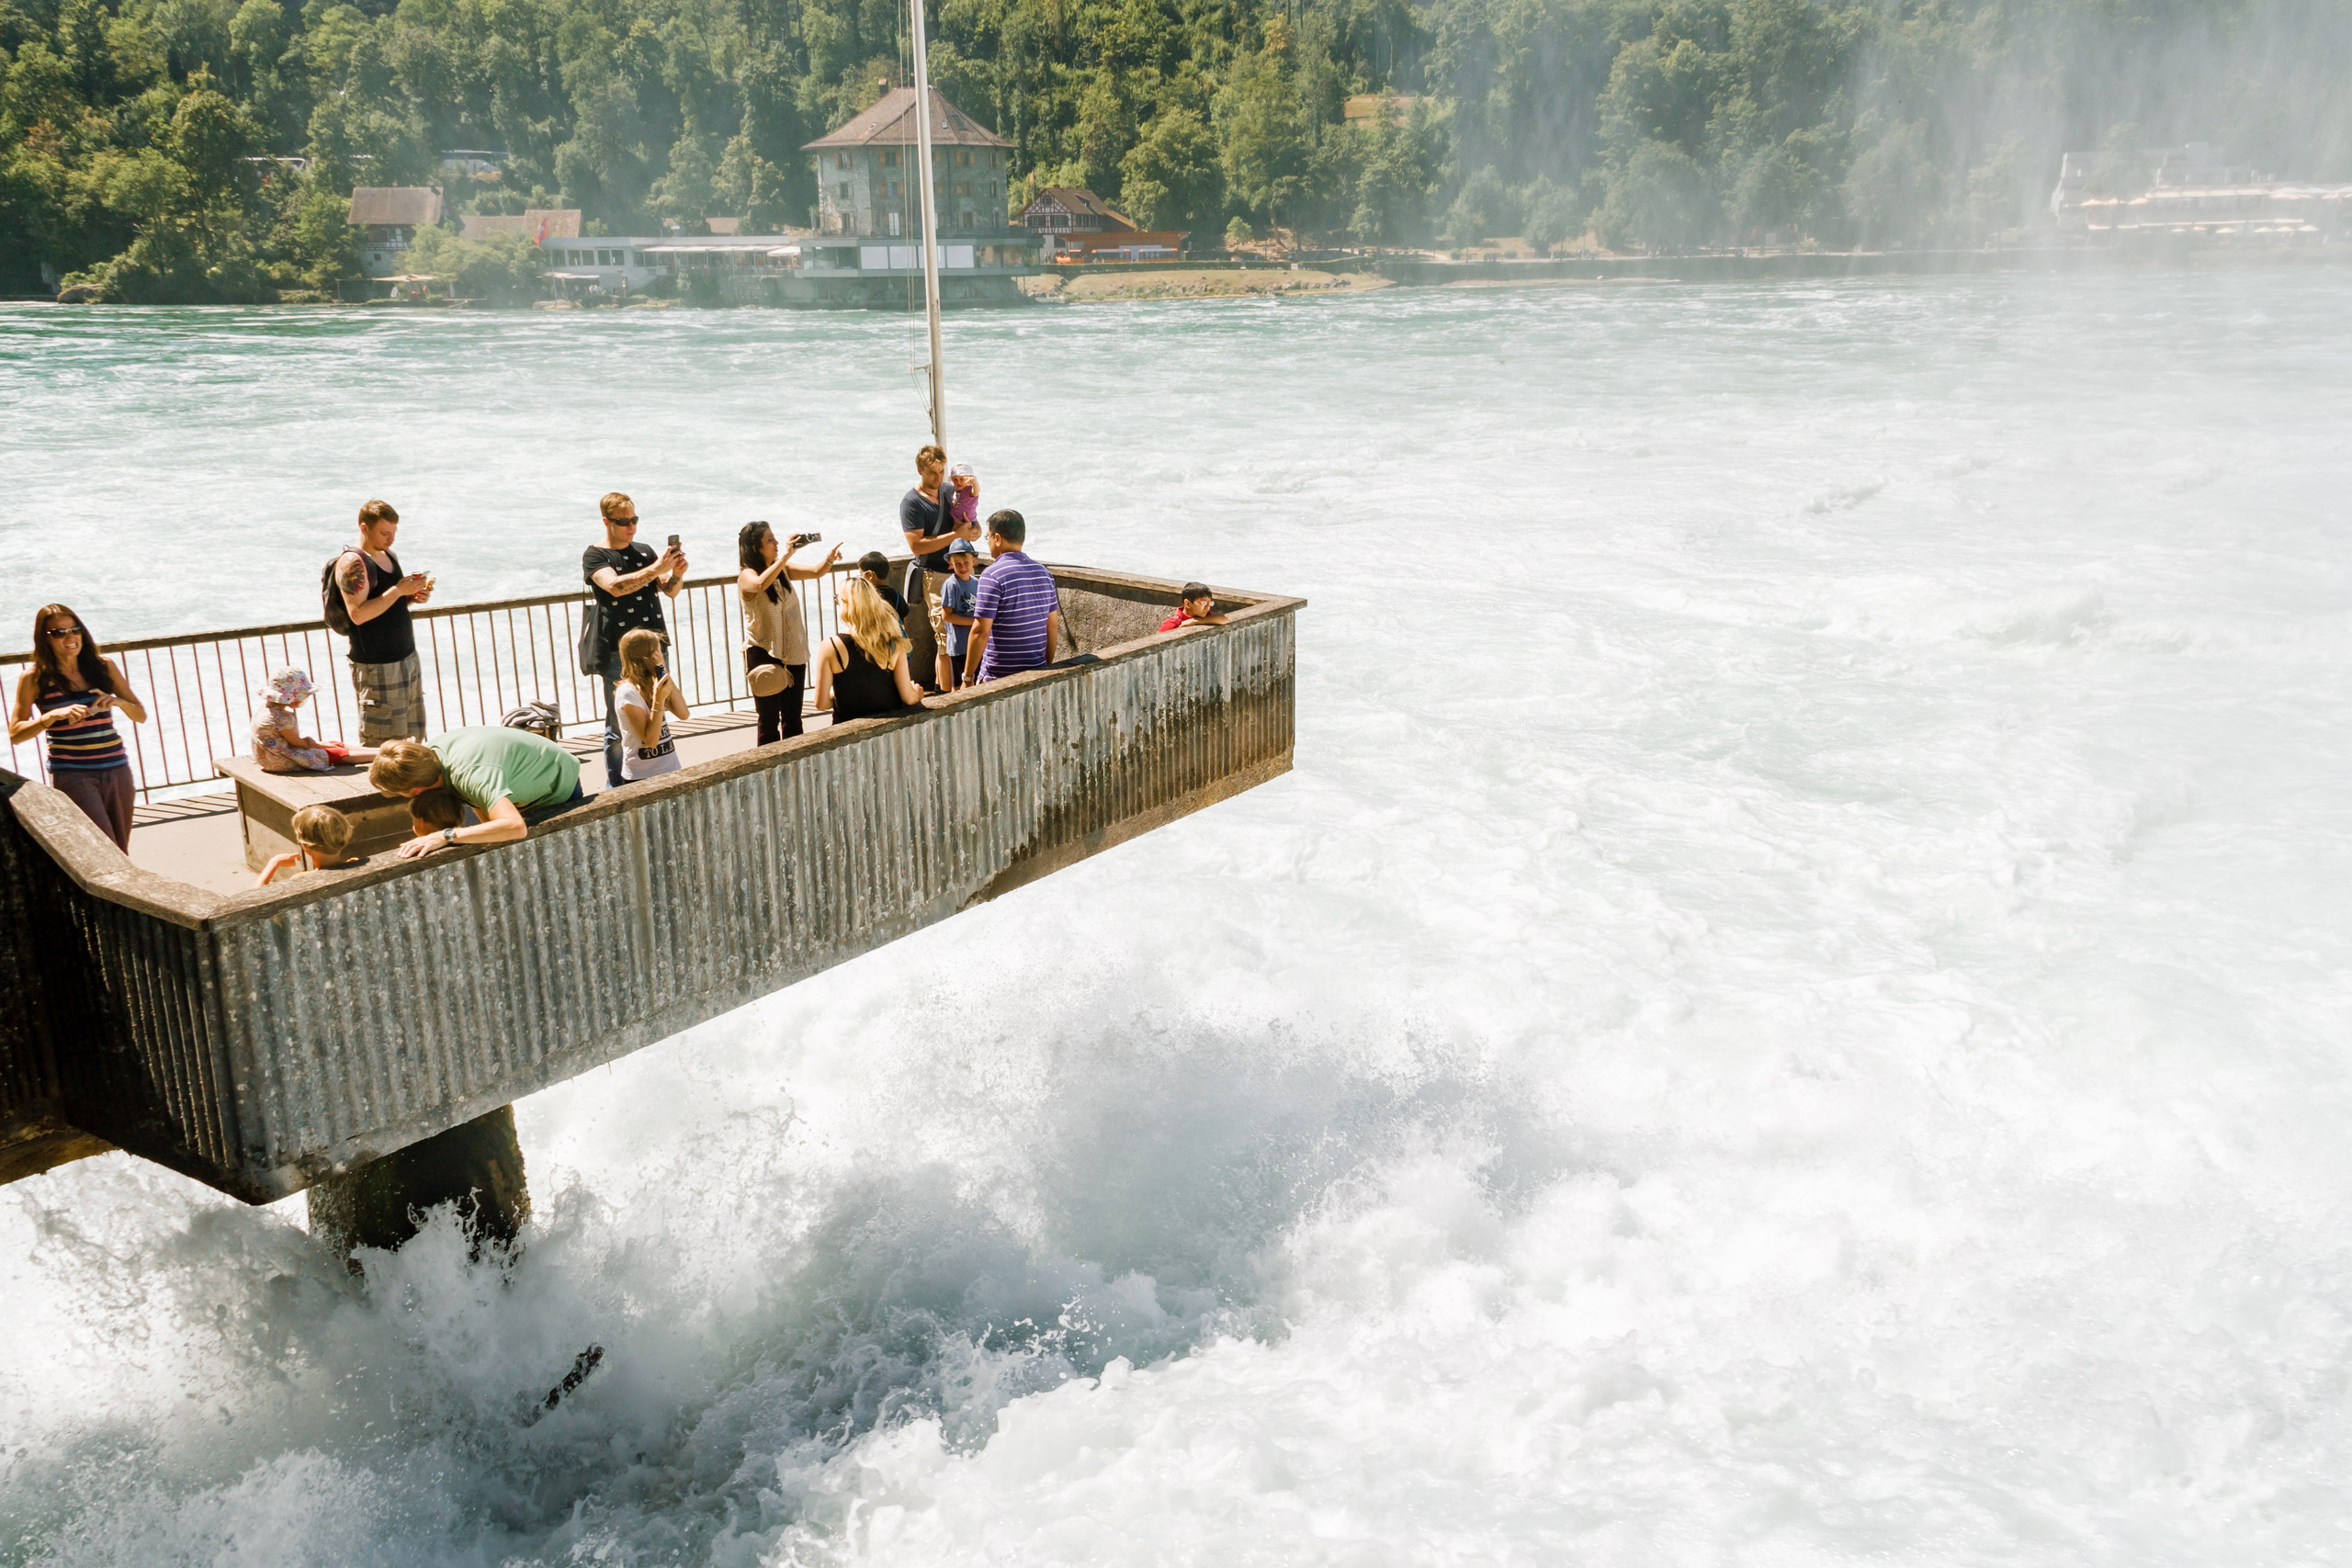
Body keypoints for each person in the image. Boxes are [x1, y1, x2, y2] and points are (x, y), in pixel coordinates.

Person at [8, 604, 147, 851]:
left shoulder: (103, 666)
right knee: (102, 848)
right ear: (44, 639)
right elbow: (16, 734)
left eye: (75, 630)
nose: (70, 637)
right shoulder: (34, 678)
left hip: (117, 769)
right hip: (74, 774)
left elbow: (140, 715)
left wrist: (118, 702)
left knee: (120, 849)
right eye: (59, 633)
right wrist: (50, 717)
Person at [582, 491, 685, 789]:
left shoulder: (644, 551)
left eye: (634, 519)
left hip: (655, 648)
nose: (631, 527)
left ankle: (654, 776)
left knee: (659, 708)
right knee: (619, 724)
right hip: (619, 652)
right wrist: (657, 569)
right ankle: (618, 787)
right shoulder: (595, 555)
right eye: (623, 521)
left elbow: (669, 590)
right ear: (606, 521)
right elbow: (614, 586)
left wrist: (676, 574)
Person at [370, 729, 582, 859]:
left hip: (556, 784)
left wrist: (444, 836)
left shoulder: (472, 775)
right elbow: (480, 801)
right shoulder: (429, 756)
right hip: (526, 774)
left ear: (416, 790)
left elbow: (516, 827)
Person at [335, 500, 434, 744]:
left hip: (406, 656)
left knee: (412, 734)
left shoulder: (389, 555)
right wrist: (398, 591)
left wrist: (410, 596)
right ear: (364, 528)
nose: (391, 539)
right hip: (376, 664)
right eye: (384, 533)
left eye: (393, 532)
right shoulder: (353, 563)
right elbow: (358, 614)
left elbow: (386, 604)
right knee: (382, 742)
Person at [738, 521, 841, 745]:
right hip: (763, 653)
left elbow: (816, 572)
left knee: (793, 717)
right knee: (768, 720)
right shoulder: (747, 575)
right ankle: (767, 764)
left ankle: (795, 762)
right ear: (755, 547)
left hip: (792, 652)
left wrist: (829, 559)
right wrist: (786, 555)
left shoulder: (782, 570)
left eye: (775, 538)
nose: (776, 543)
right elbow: (759, 585)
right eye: (770, 540)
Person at [899, 444, 980, 689]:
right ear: (919, 470)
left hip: (963, 573)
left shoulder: (949, 490)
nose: (938, 477)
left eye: (942, 471)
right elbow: (916, 545)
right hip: (934, 575)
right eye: (932, 472)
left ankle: (951, 687)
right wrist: (957, 535)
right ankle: (946, 695)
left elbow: (970, 517)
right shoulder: (911, 503)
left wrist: (975, 531)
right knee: (945, 638)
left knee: (970, 632)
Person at [813, 576, 929, 723]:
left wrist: (841, 694)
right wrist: (918, 692)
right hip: (887, 728)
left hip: (847, 727)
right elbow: (909, 697)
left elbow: (821, 703)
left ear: (845, 604)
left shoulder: (830, 646)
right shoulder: (894, 643)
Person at [965, 510, 1060, 685]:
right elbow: (1052, 625)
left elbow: (980, 632)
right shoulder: (1044, 574)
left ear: (998, 539)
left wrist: (968, 677)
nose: (988, 543)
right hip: (1036, 673)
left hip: (998, 678)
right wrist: (1046, 666)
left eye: (988, 537)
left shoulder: (992, 575)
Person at [253, 667, 372, 773]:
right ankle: (377, 755)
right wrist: (312, 744)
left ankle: (377, 751)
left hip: (267, 757)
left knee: (333, 744)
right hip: (279, 760)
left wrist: (317, 745)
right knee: (334, 753)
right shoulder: (282, 717)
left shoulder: (265, 710)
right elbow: (295, 742)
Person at [613, 627, 687, 783]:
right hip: (642, 776)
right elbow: (651, 741)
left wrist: (663, 671)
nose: (662, 655)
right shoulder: (627, 692)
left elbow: (683, 714)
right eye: (659, 651)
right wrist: (658, 700)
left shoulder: (653, 682)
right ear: (648, 656)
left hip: (670, 768)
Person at [254, 805, 356, 887]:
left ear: (305, 844)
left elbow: (258, 896)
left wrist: (274, 862)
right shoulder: (355, 865)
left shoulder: (300, 881)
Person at [937, 539, 981, 689]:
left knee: (977, 682)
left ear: (974, 561)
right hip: (959, 646)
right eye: (958, 564)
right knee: (959, 685)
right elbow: (946, 616)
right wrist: (974, 622)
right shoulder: (951, 585)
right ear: (951, 564)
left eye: (966, 563)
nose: (962, 567)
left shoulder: (976, 582)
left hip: (975, 644)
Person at [1158, 582, 1229, 632]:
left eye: (1210, 603)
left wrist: (1195, 621)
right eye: (1203, 603)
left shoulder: (1204, 615)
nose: (1208, 607)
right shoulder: (1172, 624)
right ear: (1188, 603)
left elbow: (1224, 619)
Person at [858, 550, 907, 620]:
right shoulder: (897, 596)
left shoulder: (867, 597)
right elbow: (904, 622)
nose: (861, 578)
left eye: (861, 574)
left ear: (870, 575)